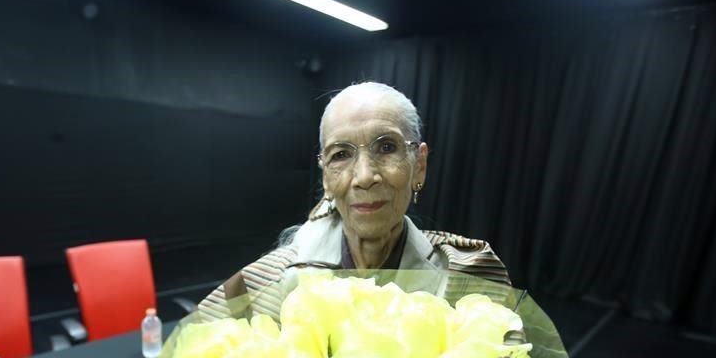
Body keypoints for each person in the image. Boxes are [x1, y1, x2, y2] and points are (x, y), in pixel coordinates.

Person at [199, 82, 511, 319]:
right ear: (325, 177)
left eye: (387, 147)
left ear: (419, 165)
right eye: (342, 155)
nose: (363, 176)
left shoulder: (466, 274)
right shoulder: (270, 281)